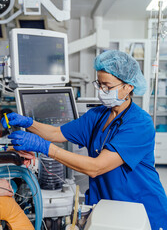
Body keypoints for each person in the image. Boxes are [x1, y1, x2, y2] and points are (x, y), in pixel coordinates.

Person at [1, 50, 167, 230]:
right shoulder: (98, 115)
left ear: (128, 87)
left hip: (140, 209)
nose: (102, 91)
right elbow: (58, 133)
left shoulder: (139, 123)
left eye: (108, 87)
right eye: (99, 84)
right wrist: (29, 123)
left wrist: (44, 147)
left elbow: (96, 167)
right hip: (108, 206)